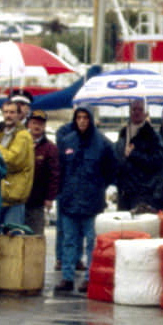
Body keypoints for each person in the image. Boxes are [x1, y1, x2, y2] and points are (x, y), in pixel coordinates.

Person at [55, 106, 117, 293]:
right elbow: (60, 171)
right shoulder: (66, 142)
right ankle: (67, 277)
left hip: (92, 202)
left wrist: (99, 188)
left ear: (91, 120)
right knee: (69, 240)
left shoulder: (104, 144)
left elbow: (111, 171)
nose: (82, 121)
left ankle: (90, 278)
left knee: (92, 242)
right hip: (69, 200)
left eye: (85, 117)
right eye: (79, 117)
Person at [0, 97, 35, 231]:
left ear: (19, 115)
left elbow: (12, 160)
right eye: (5, 112)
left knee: (13, 236)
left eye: (12, 112)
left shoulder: (23, 135)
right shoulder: (2, 134)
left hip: (14, 196)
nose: (8, 116)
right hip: (1, 194)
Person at [113, 97, 163, 212]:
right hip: (124, 192)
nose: (136, 112)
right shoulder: (123, 133)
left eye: (140, 109)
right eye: (134, 109)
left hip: (142, 194)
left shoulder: (152, 136)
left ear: (145, 113)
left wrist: (134, 154)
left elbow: (157, 162)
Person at [24, 111, 60, 237]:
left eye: (40, 124)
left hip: (37, 201)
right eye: (34, 123)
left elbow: (54, 175)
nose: (36, 126)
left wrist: (50, 198)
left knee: (35, 236)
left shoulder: (50, 148)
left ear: (44, 126)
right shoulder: (20, 143)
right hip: (18, 199)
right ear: (28, 124)